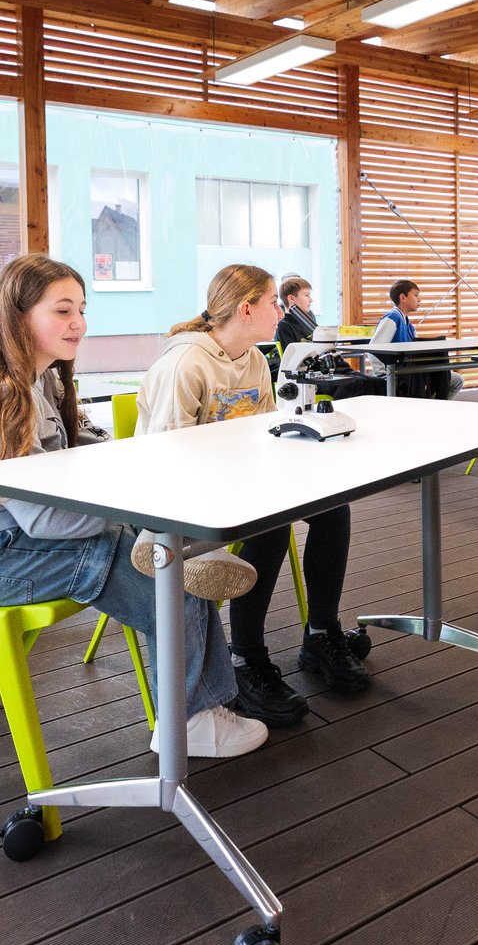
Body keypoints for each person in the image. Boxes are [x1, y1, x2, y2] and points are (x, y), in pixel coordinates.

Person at [0, 255, 266, 759]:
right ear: (17, 315)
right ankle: (192, 719)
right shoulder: (0, 393)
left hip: (3, 539)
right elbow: (45, 516)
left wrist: (130, 468)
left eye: (82, 310)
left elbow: (64, 457)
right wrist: (136, 504)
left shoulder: (36, 375)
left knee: (163, 557)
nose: (79, 324)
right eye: (63, 311)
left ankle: (183, 586)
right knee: (165, 573)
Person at [137, 264, 369, 727]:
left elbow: (264, 432)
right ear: (247, 309)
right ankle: (246, 659)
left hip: (238, 485)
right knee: (271, 525)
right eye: (273, 303)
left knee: (331, 508)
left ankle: (321, 633)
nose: (280, 311)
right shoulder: (185, 364)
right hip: (177, 504)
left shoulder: (256, 360)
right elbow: (163, 460)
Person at [277, 276, 381, 397]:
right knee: (360, 384)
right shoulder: (284, 327)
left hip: (334, 369)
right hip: (314, 376)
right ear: (291, 299)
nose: (310, 300)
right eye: (306, 295)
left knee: (378, 383)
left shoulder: (308, 322)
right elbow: (293, 362)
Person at [369, 279, 461, 399]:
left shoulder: (409, 325)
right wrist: (384, 374)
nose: (420, 300)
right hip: (396, 374)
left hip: (410, 372)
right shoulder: (392, 318)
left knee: (455, 380)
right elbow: (373, 349)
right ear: (403, 297)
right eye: (416, 295)